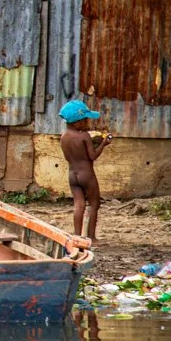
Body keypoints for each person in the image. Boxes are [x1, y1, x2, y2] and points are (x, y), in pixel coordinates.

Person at [59, 99, 112, 242]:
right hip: (87, 175)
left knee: (79, 204)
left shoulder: (63, 138)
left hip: (72, 175)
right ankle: (91, 237)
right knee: (94, 204)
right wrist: (103, 143)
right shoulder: (84, 136)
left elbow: (68, 157)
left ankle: (77, 236)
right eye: (85, 120)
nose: (87, 123)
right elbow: (92, 156)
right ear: (77, 122)